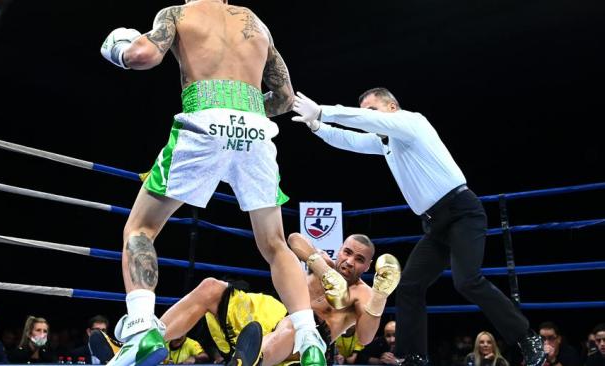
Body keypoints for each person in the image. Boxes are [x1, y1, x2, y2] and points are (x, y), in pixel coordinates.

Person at [99, 1, 325, 365]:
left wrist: (119, 49)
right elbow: (284, 99)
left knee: (141, 227)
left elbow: (143, 55)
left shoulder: (177, 14)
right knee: (275, 244)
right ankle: (309, 338)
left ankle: (141, 326)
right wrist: (244, 113)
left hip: (205, 121)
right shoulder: (257, 22)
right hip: (256, 131)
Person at [291, 88, 546, 366]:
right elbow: (351, 139)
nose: (367, 116)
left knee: (467, 280)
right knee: (410, 285)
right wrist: (317, 126)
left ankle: (526, 337)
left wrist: (324, 110)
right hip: (435, 225)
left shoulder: (413, 122)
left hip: (462, 212)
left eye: (371, 110)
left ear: (392, 107)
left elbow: (364, 122)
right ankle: (414, 357)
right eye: (364, 110)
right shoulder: (387, 143)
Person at [91, 233, 400, 366]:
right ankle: (138, 344)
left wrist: (381, 296)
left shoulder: (363, 294)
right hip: (267, 325)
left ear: (368, 266)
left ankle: (247, 361)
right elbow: (292, 240)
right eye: (347, 252)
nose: (349, 261)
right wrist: (320, 265)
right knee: (212, 287)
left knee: (296, 324)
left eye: (359, 259)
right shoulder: (326, 265)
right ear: (341, 249)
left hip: (298, 350)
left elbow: (365, 335)